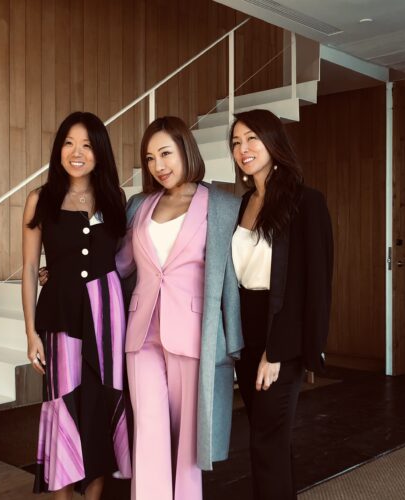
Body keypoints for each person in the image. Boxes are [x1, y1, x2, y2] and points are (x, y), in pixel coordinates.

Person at [116, 116, 243, 500]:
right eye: (150, 158)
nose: (158, 165)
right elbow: (120, 264)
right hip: (141, 335)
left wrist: (234, 340)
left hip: (193, 334)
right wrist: (65, 268)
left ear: (186, 150)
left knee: (189, 443)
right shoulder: (140, 204)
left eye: (165, 153)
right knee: (148, 432)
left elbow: (230, 276)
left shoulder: (221, 205)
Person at [21, 111, 131, 499]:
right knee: (63, 405)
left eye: (86, 145)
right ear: (59, 149)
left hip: (107, 319)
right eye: (69, 143)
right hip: (60, 316)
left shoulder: (115, 199)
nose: (77, 152)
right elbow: (29, 268)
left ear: (100, 152)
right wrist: (30, 333)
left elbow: (124, 259)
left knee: (100, 407)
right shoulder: (40, 199)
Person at [229, 109, 333, 499]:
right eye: (236, 142)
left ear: (274, 142)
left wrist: (278, 351)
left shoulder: (307, 202)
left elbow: (315, 285)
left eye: (252, 138)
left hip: (280, 336)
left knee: (266, 443)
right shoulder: (243, 203)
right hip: (246, 332)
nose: (243, 149)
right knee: (268, 439)